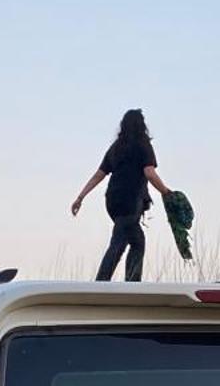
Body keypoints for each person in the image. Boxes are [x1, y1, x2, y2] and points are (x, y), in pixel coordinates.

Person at [71, 108, 173, 282]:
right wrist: (167, 192)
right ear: (142, 125)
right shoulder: (143, 144)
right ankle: (102, 282)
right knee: (119, 241)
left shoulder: (116, 147)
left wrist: (81, 197)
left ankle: (132, 282)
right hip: (131, 200)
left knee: (137, 241)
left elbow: (99, 174)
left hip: (112, 202)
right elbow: (149, 172)